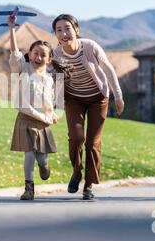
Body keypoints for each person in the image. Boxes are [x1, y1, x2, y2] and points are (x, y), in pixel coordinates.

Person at [52, 14, 124, 200]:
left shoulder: (90, 47)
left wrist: (118, 96)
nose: (64, 33)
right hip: (73, 99)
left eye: (67, 28)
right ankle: (77, 172)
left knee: (93, 143)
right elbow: (54, 81)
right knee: (76, 138)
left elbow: (108, 69)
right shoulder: (57, 54)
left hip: (98, 98)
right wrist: (53, 105)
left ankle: (89, 185)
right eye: (59, 30)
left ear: (76, 30)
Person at [7, 15, 59, 200]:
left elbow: (48, 101)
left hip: (42, 121)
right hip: (25, 118)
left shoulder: (48, 79)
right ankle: (29, 188)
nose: (38, 57)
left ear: (49, 59)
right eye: (35, 52)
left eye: (43, 54)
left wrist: (51, 115)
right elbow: (14, 53)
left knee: (41, 157)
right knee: (29, 154)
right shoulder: (23, 68)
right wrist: (12, 28)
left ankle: (44, 164)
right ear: (30, 53)